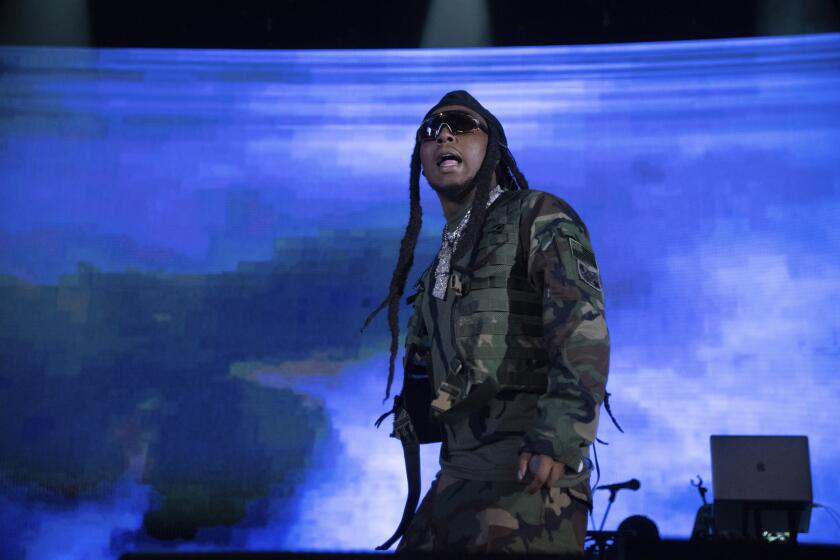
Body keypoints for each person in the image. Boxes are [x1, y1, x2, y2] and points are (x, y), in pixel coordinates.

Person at [363, 90, 610, 554]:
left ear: (493, 148)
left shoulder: (537, 216)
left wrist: (558, 436)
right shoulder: (446, 254)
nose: (444, 135)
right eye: (430, 131)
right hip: (459, 475)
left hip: (526, 480)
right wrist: (421, 410)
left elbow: (582, 327)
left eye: (459, 124)